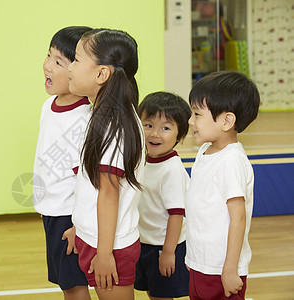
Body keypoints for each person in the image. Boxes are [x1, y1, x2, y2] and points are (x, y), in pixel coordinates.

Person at [67, 28, 144, 300]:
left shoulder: (116, 124)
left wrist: (104, 254)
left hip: (111, 247)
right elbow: (91, 185)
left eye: (76, 60)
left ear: (101, 74)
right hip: (98, 238)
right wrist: (80, 224)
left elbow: (110, 194)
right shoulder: (99, 112)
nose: (70, 68)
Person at [185, 71, 260, 300]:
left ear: (227, 121)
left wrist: (229, 269)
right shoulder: (204, 151)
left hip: (220, 270)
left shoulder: (231, 160)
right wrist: (194, 259)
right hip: (202, 265)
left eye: (197, 114)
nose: (190, 121)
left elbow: (237, 218)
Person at [33, 26, 92, 300]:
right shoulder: (49, 106)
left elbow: (89, 179)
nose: (47, 65)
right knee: (66, 284)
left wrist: (79, 225)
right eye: (48, 56)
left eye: (59, 62)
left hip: (70, 215)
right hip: (52, 211)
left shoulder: (86, 118)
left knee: (75, 286)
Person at [134, 92, 191, 300]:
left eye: (165, 128)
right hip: (145, 242)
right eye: (148, 125)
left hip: (166, 245)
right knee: (152, 292)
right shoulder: (143, 160)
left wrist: (168, 252)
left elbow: (177, 214)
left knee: (162, 296)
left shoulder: (171, 169)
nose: (154, 134)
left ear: (180, 136)